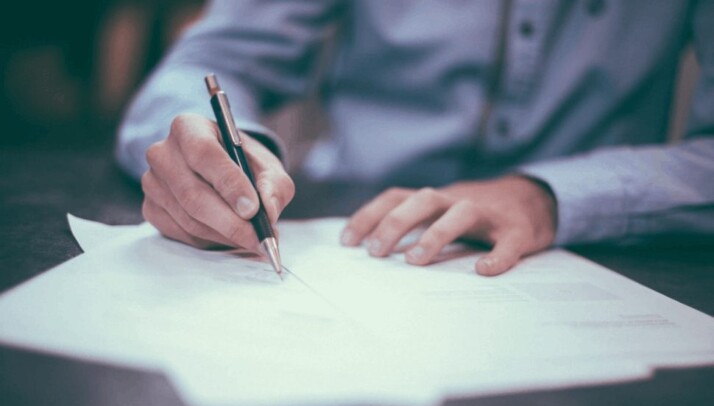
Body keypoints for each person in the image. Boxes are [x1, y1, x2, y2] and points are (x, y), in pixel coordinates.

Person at [116, 0, 714, 276]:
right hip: (351, 231)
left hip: (604, 253)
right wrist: (219, 152)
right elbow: (211, 61)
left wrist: (547, 195)